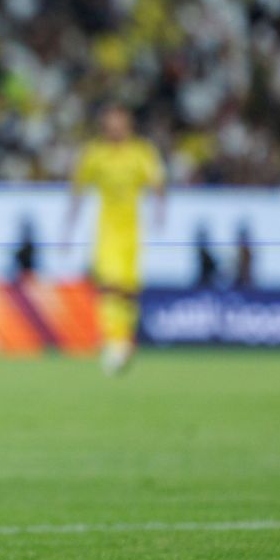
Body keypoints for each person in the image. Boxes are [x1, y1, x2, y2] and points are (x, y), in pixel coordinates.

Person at [63, 106, 166, 376]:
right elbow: (78, 191)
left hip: (132, 234)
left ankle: (123, 340)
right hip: (106, 232)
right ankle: (115, 343)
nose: (115, 128)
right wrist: (67, 231)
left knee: (128, 291)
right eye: (110, 123)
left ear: (128, 125)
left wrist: (160, 213)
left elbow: (157, 184)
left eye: (119, 123)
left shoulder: (141, 152)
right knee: (108, 285)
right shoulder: (95, 154)